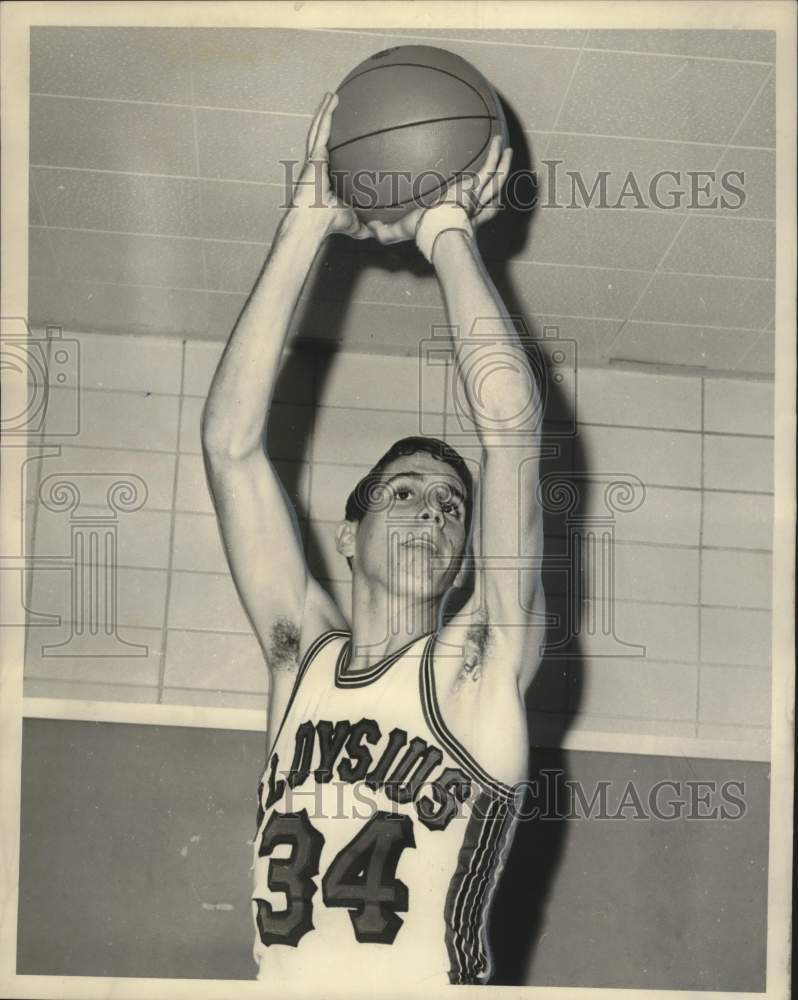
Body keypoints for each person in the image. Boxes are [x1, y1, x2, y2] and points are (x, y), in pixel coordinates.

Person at [201, 92, 545, 987]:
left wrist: (445, 229)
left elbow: (511, 434)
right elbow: (230, 449)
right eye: (405, 492)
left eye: (453, 506)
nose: (433, 511)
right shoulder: (300, 660)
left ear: (465, 560)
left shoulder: (479, 665)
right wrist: (307, 220)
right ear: (349, 537)